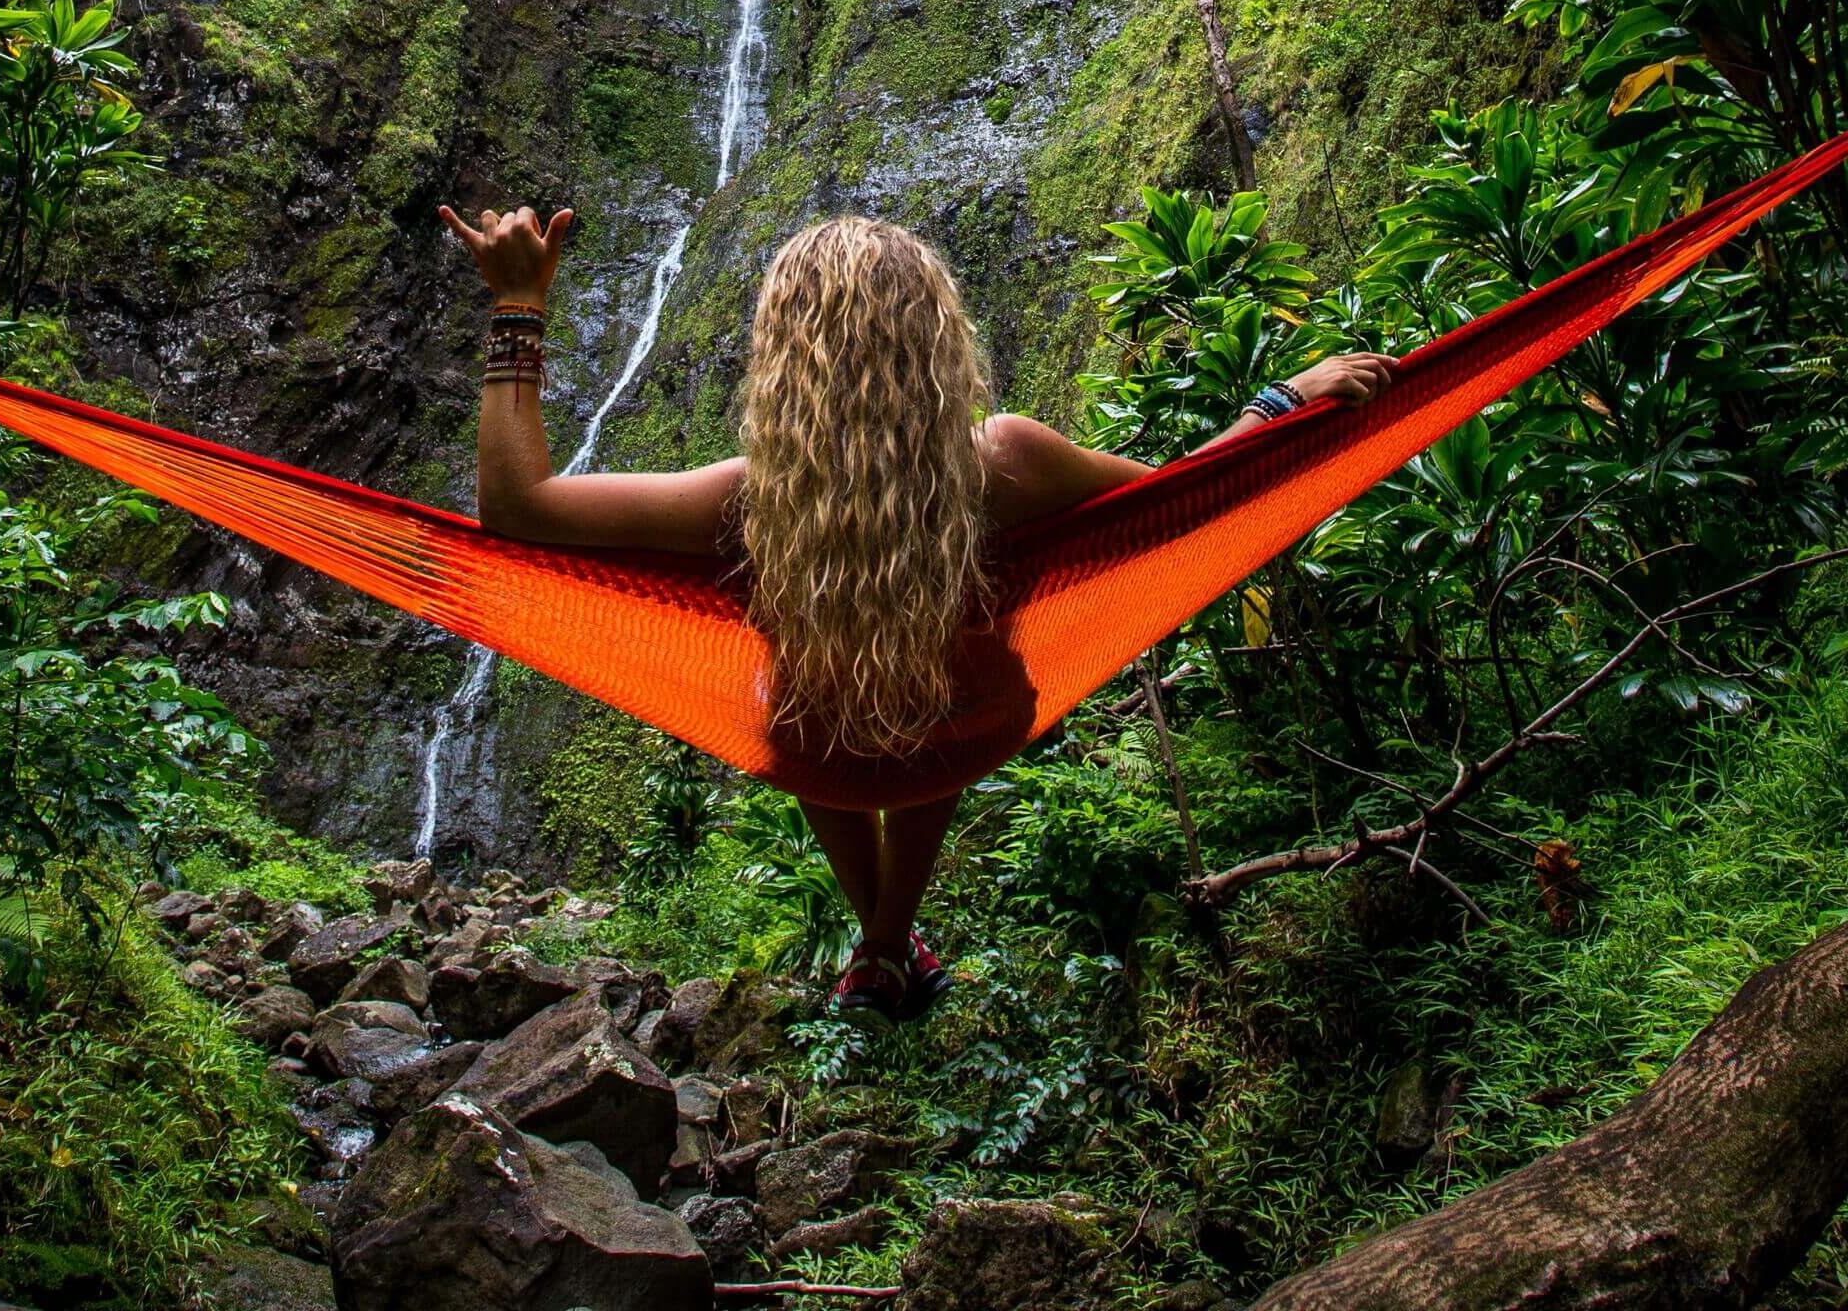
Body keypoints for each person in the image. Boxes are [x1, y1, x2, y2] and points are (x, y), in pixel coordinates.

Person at [439, 198, 1396, 1026]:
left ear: (782, 362)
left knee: (810, 685)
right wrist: (1283, 399)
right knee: (934, 666)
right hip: (968, 730)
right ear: (936, 338)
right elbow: (1182, 497)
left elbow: (518, 508)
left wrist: (519, 305)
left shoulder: (743, 502)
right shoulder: (1004, 462)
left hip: (817, 748)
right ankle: (890, 947)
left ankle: (881, 944)